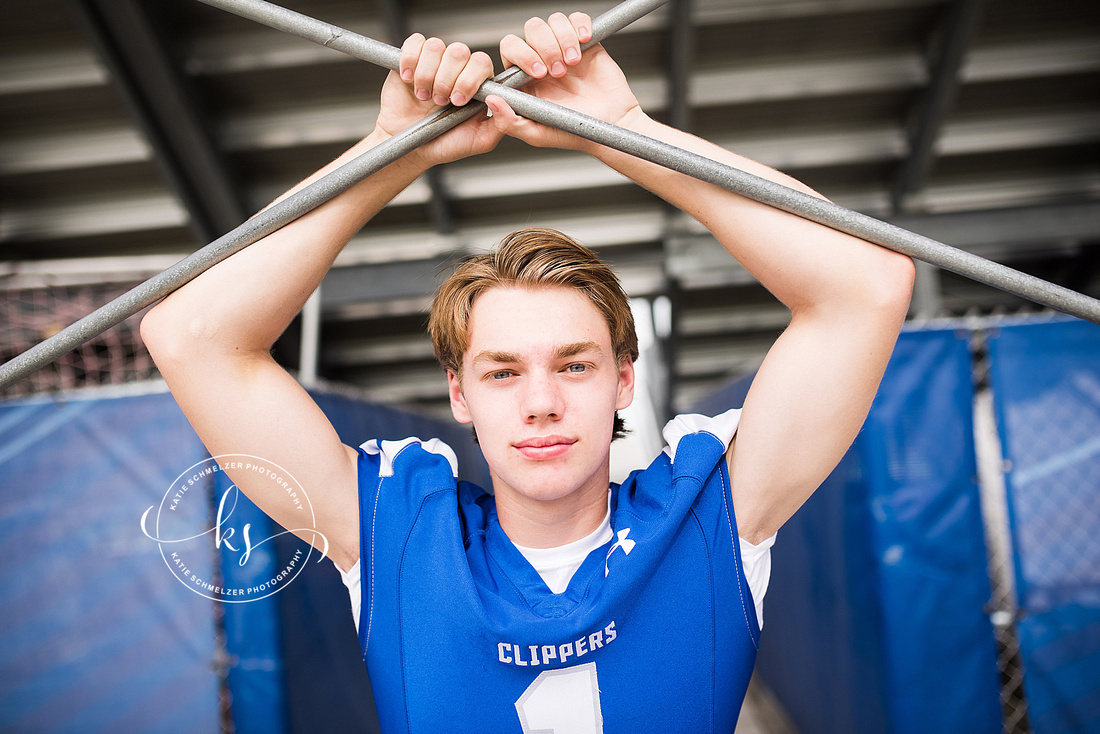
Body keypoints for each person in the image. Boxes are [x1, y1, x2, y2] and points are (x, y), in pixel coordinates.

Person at [141, 11, 914, 732]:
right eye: (503, 373)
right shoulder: (394, 535)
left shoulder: (710, 517)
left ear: (623, 381)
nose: (541, 402)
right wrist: (391, 149)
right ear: (460, 393)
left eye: (574, 365)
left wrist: (623, 133)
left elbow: (867, 286)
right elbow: (189, 335)